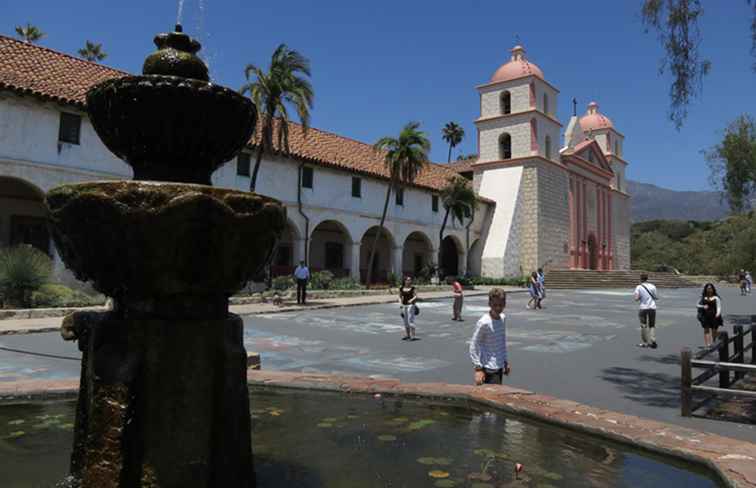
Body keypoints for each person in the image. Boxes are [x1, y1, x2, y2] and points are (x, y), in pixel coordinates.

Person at [470, 288, 511, 385]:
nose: (498, 308)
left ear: (504, 304)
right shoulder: (484, 322)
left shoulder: (502, 318)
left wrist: (505, 361)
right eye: (495, 305)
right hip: (488, 368)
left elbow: (501, 341)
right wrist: (478, 368)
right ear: (489, 304)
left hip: (499, 366)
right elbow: (474, 344)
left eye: (501, 305)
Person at [633, 273, 658, 349]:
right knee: (652, 325)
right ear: (647, 278)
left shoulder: (639, 287)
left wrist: (640, 297)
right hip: (652, 307)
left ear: (641, 279)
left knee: (643, 325)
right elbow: (655, 297)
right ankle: (653, 340)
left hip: (643, 308)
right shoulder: (653, 286)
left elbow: (636, 299)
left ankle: (645, 342)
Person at [697, 283, 723, 348]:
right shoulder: (703, 297)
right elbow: (697, 305)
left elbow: (719, 307)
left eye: (710, 288)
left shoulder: (716, 298)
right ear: (705, 289)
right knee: (706, 330)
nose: (709, 289)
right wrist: (703, 306)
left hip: (714, 316)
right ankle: (707, 344)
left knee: (714, 330)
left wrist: (718, 313)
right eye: (708, 288)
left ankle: (714, 343)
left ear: (713, 289)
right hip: (705, 316)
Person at [399, 276, 419, 341]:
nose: (409, 281)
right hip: (404, 305)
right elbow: (399, 297)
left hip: (411, 305)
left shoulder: (413, 288)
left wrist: (411, 300)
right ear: (405, 281)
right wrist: (400, 304)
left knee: (410, 320)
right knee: (405, 321)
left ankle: (413, 336)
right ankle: (407, 335)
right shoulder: (401, 288)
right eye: (408, 280)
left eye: (410, 280)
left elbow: (416, 296)